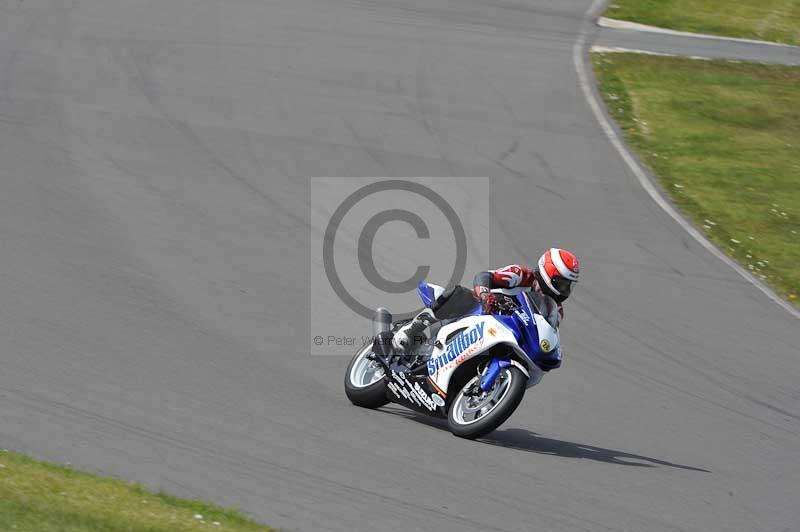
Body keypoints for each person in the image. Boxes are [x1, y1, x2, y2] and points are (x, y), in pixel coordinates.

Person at [391, 248, 580, 370]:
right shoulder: (520, 275)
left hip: (507, 333)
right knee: (459, 294)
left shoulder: (556, 310)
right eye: (562, 283)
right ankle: (410, 331)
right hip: (481, 311)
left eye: (569, 285)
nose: (565, 290)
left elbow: (544, 332)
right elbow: (484, 276)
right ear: (548, 274)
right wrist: (484, 295)